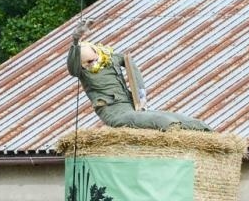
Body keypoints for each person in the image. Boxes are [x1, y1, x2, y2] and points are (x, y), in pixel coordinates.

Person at [66, 31, 212, 131]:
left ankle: (208, 131)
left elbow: (127, 60)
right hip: (114, 112)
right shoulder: (83, 73)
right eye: (85, 63)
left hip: (132, 106)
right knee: (164, 122)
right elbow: (72, 67)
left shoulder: (110, 60)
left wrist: (140, 95)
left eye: (91, 60)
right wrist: (75, 41)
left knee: (188, 121)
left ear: (98, 54)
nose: (89, 64)